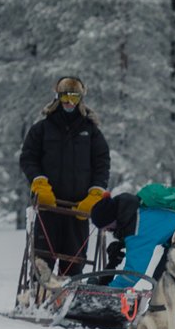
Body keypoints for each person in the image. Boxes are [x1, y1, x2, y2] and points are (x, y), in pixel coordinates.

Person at [19, 76, 111, 274]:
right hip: (48, 206)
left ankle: (67, 300)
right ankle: (39, 299)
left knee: (74, 263)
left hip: (78, 209)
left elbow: (102, 163)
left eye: (74, 98)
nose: (69, 103)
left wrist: (96, 192)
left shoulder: (91, 131)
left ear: (80, 100)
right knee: (42, 261)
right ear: (57, 98)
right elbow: (28, 158)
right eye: (65, 97)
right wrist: (39, 182)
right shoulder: (41, 129)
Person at [90, 191, 175, 289]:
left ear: (111, 219)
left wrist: (109, 291)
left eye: (106, 227)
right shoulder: (130, 210)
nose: (105, 231)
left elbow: (134, 273)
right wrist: (121, 245)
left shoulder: (137, 229)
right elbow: (152, 226)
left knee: (164, 284)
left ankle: (166, 316)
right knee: (161, 283)